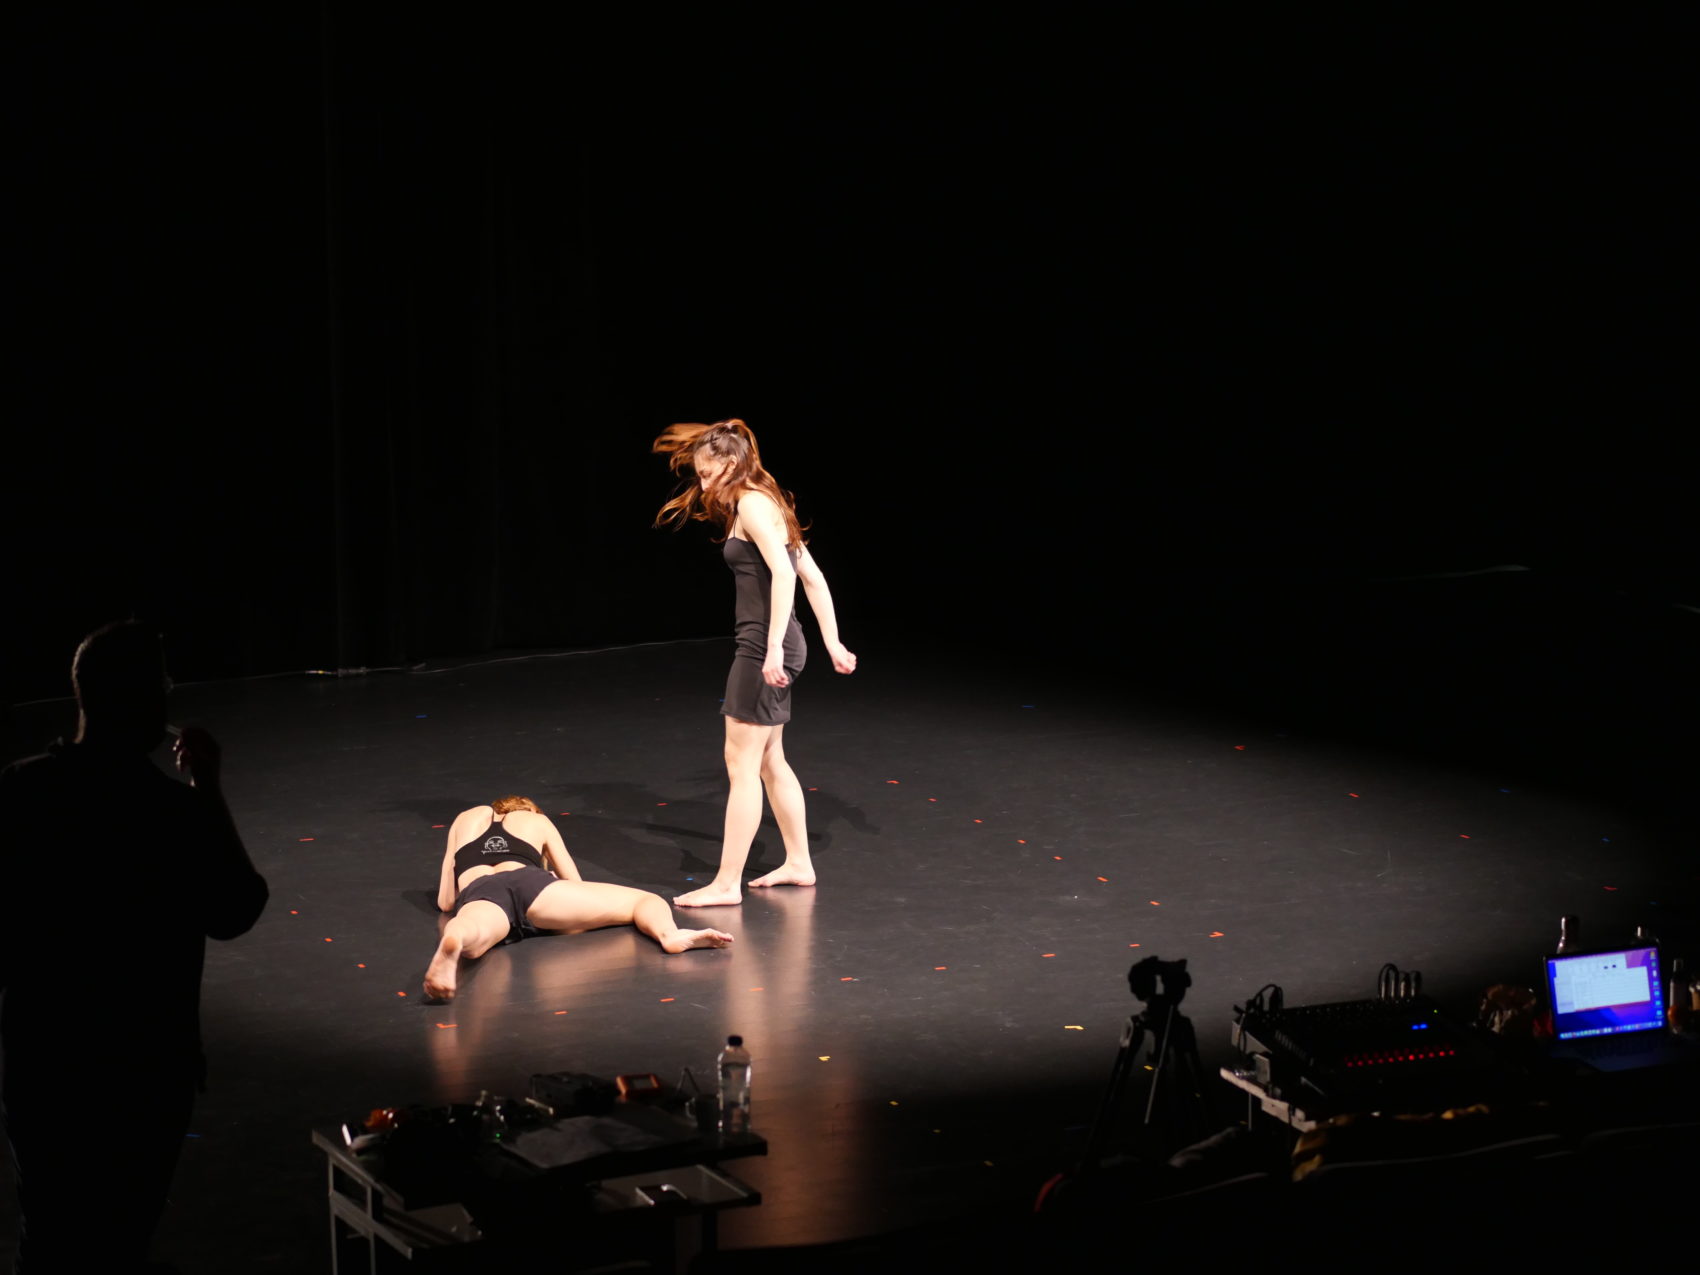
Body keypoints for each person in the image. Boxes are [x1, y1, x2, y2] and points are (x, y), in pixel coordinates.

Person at [0, 621, 269, 1274]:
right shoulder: (168, 813)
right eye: (161, 684)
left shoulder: (19, 790)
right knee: (121, 1237)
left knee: (53, 1235)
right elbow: (236, 907)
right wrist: (209, 788)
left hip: (46, 1064)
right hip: (143, 1069)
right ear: (143, 697)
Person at [652, 417, 856, 907]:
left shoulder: (752, 504)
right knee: (768, 760)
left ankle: (726, 884)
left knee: (740, 764)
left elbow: (788, 576)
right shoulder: (768, 503)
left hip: (764, 649)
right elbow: (815, 576)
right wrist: (830, 641)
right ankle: (799, 862)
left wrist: (770, 651)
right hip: (779, 644)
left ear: (730, 464)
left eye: (707, 473)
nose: (702, 484)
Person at [423, 797, 734, 1001]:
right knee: (645, 901)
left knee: (473, 933)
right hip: (534, 886)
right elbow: (575, 881)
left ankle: (456, 939)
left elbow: (446, 901)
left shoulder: (465, 818)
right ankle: (671, 935)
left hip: (481, 890)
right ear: (530, 809)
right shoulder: (537, 821)